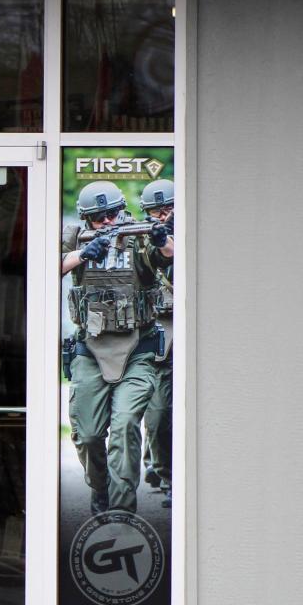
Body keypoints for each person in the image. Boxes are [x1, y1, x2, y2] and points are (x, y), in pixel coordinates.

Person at [62, 180, 173, 514]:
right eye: (99, 218)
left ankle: (122, 513)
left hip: (137, 348)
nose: (108, 222)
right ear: (86, 219)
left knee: (125, 426)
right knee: (89, 435)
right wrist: (84, 252)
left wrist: (162, 238)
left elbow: (171, 255)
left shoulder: (139, 237)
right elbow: (40, 266)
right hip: (90, 350)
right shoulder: (75, 239)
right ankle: (99, 489)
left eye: (112, 214)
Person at [139, 179, 175, 507]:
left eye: (169, 208)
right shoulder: (147, 241)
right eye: (156, 211)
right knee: (161, 410)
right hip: (164, 329)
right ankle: (166, 474)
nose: (163, 215)